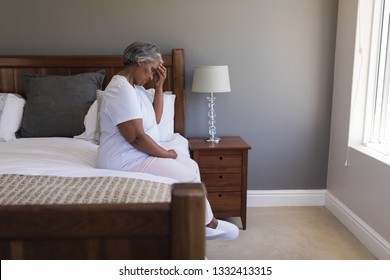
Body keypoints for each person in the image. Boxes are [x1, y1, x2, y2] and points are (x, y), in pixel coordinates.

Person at [97, 40, 238, 240]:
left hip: (138, 153)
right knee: (187, 177)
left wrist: (159, 86)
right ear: (139, 61)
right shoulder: (120, 89)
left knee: (192, 167)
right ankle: (209, 224)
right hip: (125, 159)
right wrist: (166, 153)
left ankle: (205, 221)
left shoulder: (134, 87)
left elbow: (154, 120)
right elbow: (136, 138)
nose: (150, 76)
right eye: (150, 70)